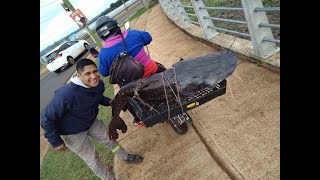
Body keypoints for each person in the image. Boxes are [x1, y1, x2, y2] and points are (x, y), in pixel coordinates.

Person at [40, 58, 143, 180]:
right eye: (87, 74)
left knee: (110, 141)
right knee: (92, 158)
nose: (93, 76)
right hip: (72, 133)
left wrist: (110, 102)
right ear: (78, 75)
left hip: (91, 122)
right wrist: (55, 141)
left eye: (95, 71)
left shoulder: (98, 84)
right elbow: (46, 118)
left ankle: (125, 156)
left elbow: (98, 97)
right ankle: (108, 178)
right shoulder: (66, 94)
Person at [95, 15, 166, 126]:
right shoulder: (132, 34)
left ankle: (139, 119)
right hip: (152, 71)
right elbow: (148, 38)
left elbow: (104, 72)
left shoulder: (103, 54)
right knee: (164, 71)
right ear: (116, 27)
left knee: (128, 100)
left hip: (132, 84)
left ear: (101, 36)